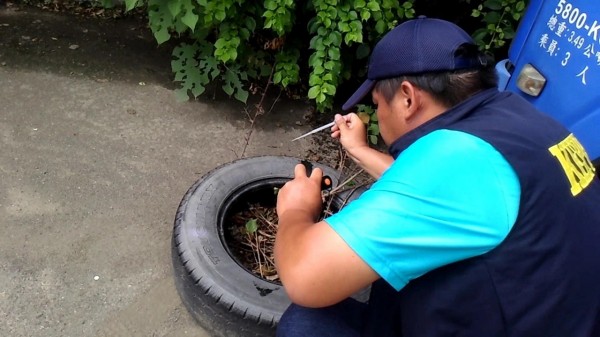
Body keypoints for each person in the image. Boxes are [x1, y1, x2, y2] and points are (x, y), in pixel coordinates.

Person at [274, 16, 600, 337]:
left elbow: (305, 276)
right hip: (550, 315)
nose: (377, 116)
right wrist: (359, 149)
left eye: (376, 104)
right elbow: (449, 199)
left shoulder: (457, 160)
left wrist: (296, 209)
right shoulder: (519, 121)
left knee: (306, 324)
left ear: (407, 97)